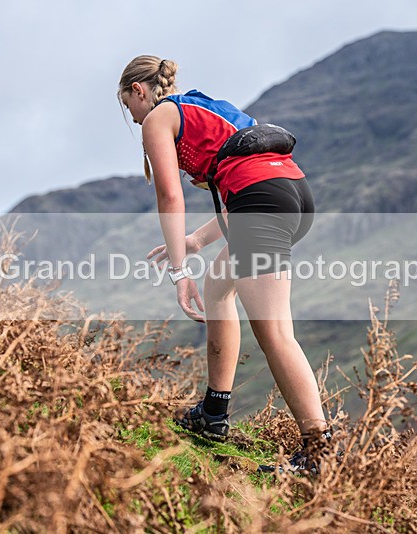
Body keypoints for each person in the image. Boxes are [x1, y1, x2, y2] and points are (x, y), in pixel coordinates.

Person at [118, 55, 330, 470]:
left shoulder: (159, 118)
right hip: (291, 195)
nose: (135, 118)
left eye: (129, 108)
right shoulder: (203, 108)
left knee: (275, 335)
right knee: (219, 289)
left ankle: (319, 452)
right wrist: (196, 240)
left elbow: (170, 197)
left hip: (262, 203)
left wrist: (180, 273)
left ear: (138, 92)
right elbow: (246, 184)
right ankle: (214, 413)